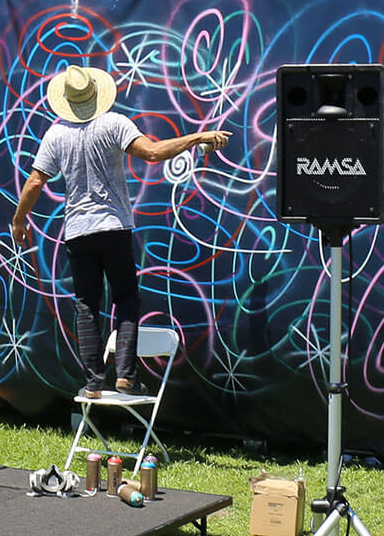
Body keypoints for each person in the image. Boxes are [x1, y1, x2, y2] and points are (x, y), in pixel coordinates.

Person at [11, 64, 230, 398]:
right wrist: (196, 137)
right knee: (125, 298)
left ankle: (93, 381)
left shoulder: (56, 134)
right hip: (113, 227)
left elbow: (35, 180)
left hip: (78, 231)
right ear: (96, 94)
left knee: (86, 303)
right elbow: (154, 153)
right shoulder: (113, 123)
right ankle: (126, 374)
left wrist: (18, 220)